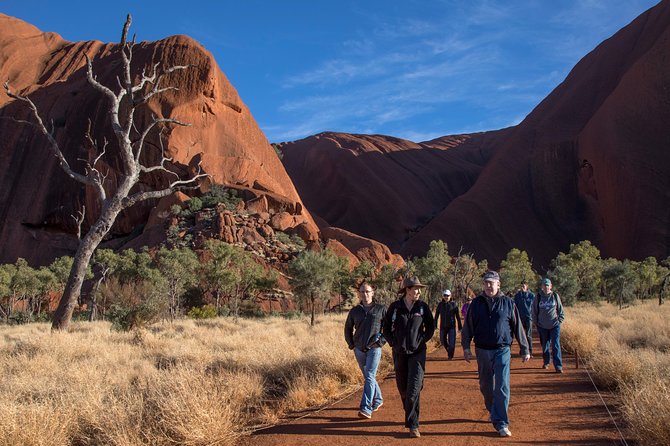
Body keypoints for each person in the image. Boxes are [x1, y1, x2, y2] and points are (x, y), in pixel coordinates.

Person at [462, 270, 530, 438]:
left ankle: (501, 423)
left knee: (502, 385)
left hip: (502, 349)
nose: (488, 285)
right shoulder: (476, 304)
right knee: (486, 386)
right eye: (486, 282)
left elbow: (517, 326)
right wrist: (466, 347)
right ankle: (494, 409)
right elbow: (468, 327)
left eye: (492, 282)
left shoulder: (508, 303)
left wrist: (525, 348)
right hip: (482, 350)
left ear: (498, 284)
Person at [382, 277, 435, 438]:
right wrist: (393, 342)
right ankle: (410, 413)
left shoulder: (422, 307)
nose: (418, 292)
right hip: (399, 353)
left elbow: (431, 327)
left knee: (413, 390)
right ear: (407, 290)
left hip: (417, 353)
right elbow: (385, 328)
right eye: (415, 289)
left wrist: (421, 341)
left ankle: (413, 425)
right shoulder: (395, 307)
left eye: (419, 289)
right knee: (403, 389)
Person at [344, 282, 387, 419]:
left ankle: (366, 408)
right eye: (362, 292)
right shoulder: (355, 311)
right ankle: (378, 399)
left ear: (373, 293)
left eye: (367, 291)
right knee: (369, 377)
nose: (365, 294)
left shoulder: (381, 309)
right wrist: (352, 345)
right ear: (359, 294)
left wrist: (380, 343)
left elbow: (389, 329)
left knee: (369, 375)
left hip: (374, 348)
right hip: (359, 349)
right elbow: (348, 328)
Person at [533, 278, 565, 373]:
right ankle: (546, 362)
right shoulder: (538, 297)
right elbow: (534, 311)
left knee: (555, 345)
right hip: (542, 326)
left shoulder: (555, 296)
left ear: (550, 286)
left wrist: (559, 320)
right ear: (542, 286)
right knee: (545, 346)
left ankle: (558, 366)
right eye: (544, 285)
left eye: (548, 285)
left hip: (554, 325)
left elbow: (560, 310)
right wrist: (536, 323)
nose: (546, 287)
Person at [434, 289, 462, 360]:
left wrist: (460, 327)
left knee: (452, 343)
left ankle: (450, 356)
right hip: (443, 327)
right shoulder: (440, 305)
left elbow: (458, 317)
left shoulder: (454, 304)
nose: (446, 297)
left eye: (448, 295)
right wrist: (435, 325)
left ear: (450, 296)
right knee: (442, 341)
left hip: (452, 327)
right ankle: (449, 351)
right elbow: (436, 315)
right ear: (443, 296)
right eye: (445, 295)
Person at [514, 280, 535, 357]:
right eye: (521, 285)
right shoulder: (517, 296)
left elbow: (534, 307)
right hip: (520, 318)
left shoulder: (531, 295)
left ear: (527, 286)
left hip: (529, 317)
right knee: (521, 335)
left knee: (528, 335)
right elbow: (515, 306)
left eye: (524, 285)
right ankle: (522, 350)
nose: (522, 287)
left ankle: (530, 351)